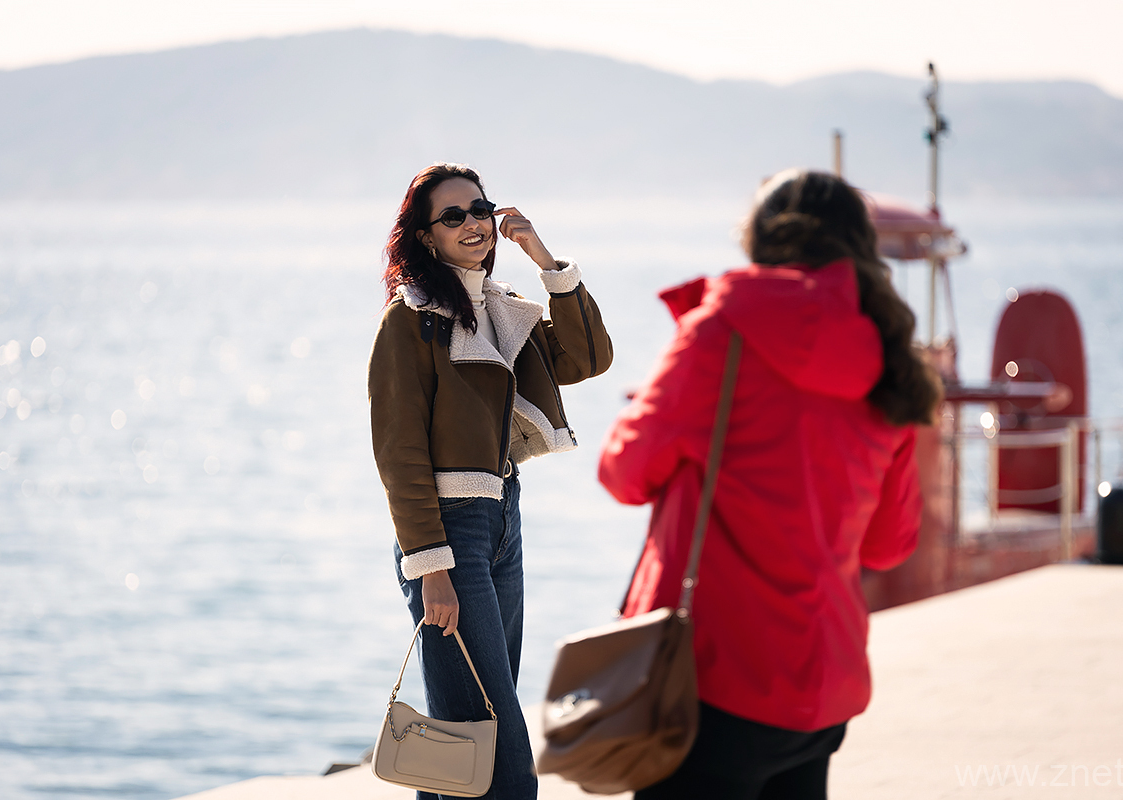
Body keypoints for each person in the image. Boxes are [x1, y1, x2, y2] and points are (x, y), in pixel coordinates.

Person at [597, 169, 941, 800]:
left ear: (758, 239)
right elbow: (889, 543)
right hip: (822, 684)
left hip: (713, 676)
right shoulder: (888, 358)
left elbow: (623, 473)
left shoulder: (719, 333)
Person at [369, 162, 612, 799]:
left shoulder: (501, 309)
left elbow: (589, 358)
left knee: (466, 733)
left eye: (480, 209)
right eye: (452, 216)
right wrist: (431, 568)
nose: (472, 223)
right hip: (448, 536)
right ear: (426, 236)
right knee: (492, 738)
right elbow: (399, 453)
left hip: (503, 518)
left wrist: (545, 261)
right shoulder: (410, 320)